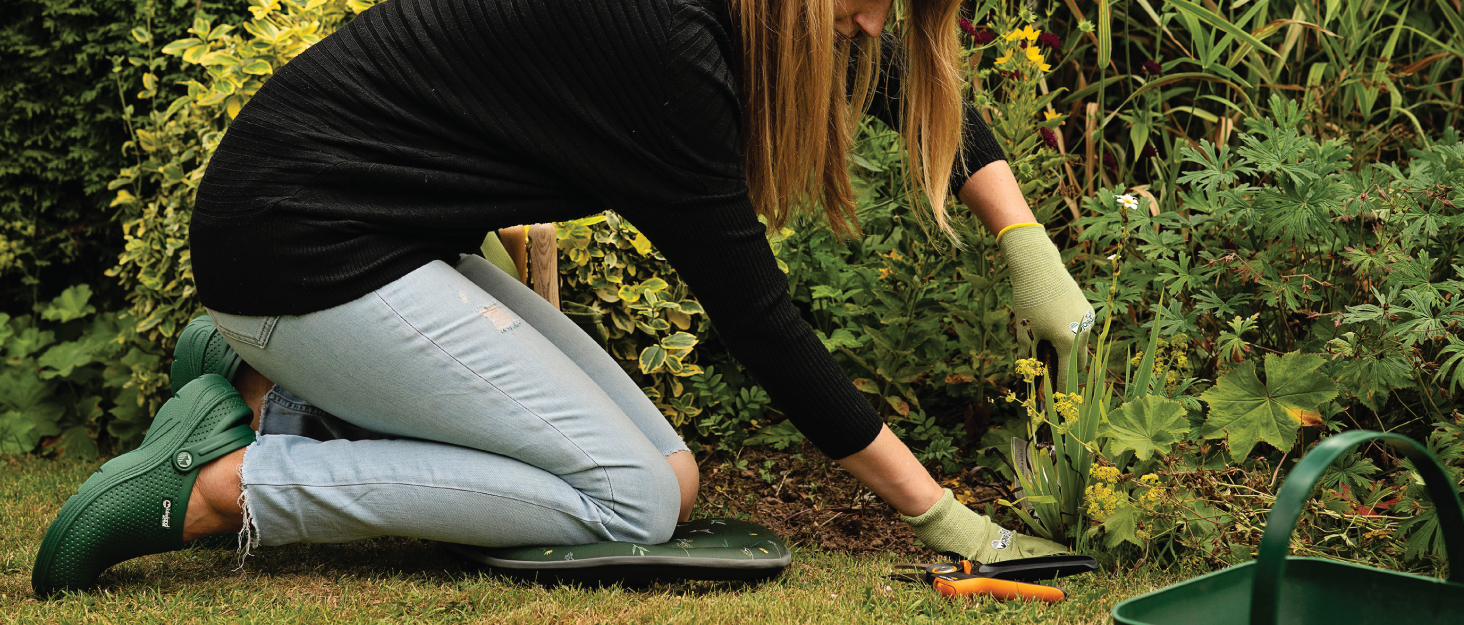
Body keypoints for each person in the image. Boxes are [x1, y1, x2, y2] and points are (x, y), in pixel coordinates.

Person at [33, 0, 1094, 595]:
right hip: (301, 247)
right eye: (872, 4)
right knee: (624, 502)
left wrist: (1024, 239)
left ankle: (266, 381)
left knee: (668, 486)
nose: (875, 29)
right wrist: (940, 515)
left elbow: (908, 78)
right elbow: (761, 322)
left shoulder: (753, 15)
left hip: (367, 248)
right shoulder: (671, 51)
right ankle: (227, 484)